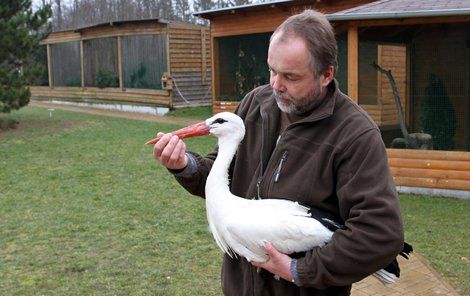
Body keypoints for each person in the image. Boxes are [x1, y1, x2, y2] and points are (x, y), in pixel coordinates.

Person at [153, 9, 404, 296]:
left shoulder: (355, 135)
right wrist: (184, 165)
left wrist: (298, 271)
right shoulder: (255, 104)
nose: (275, 85)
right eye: (272, 70)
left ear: (326, 74)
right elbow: (222, 176)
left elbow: (379, 234)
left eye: (290, 76)